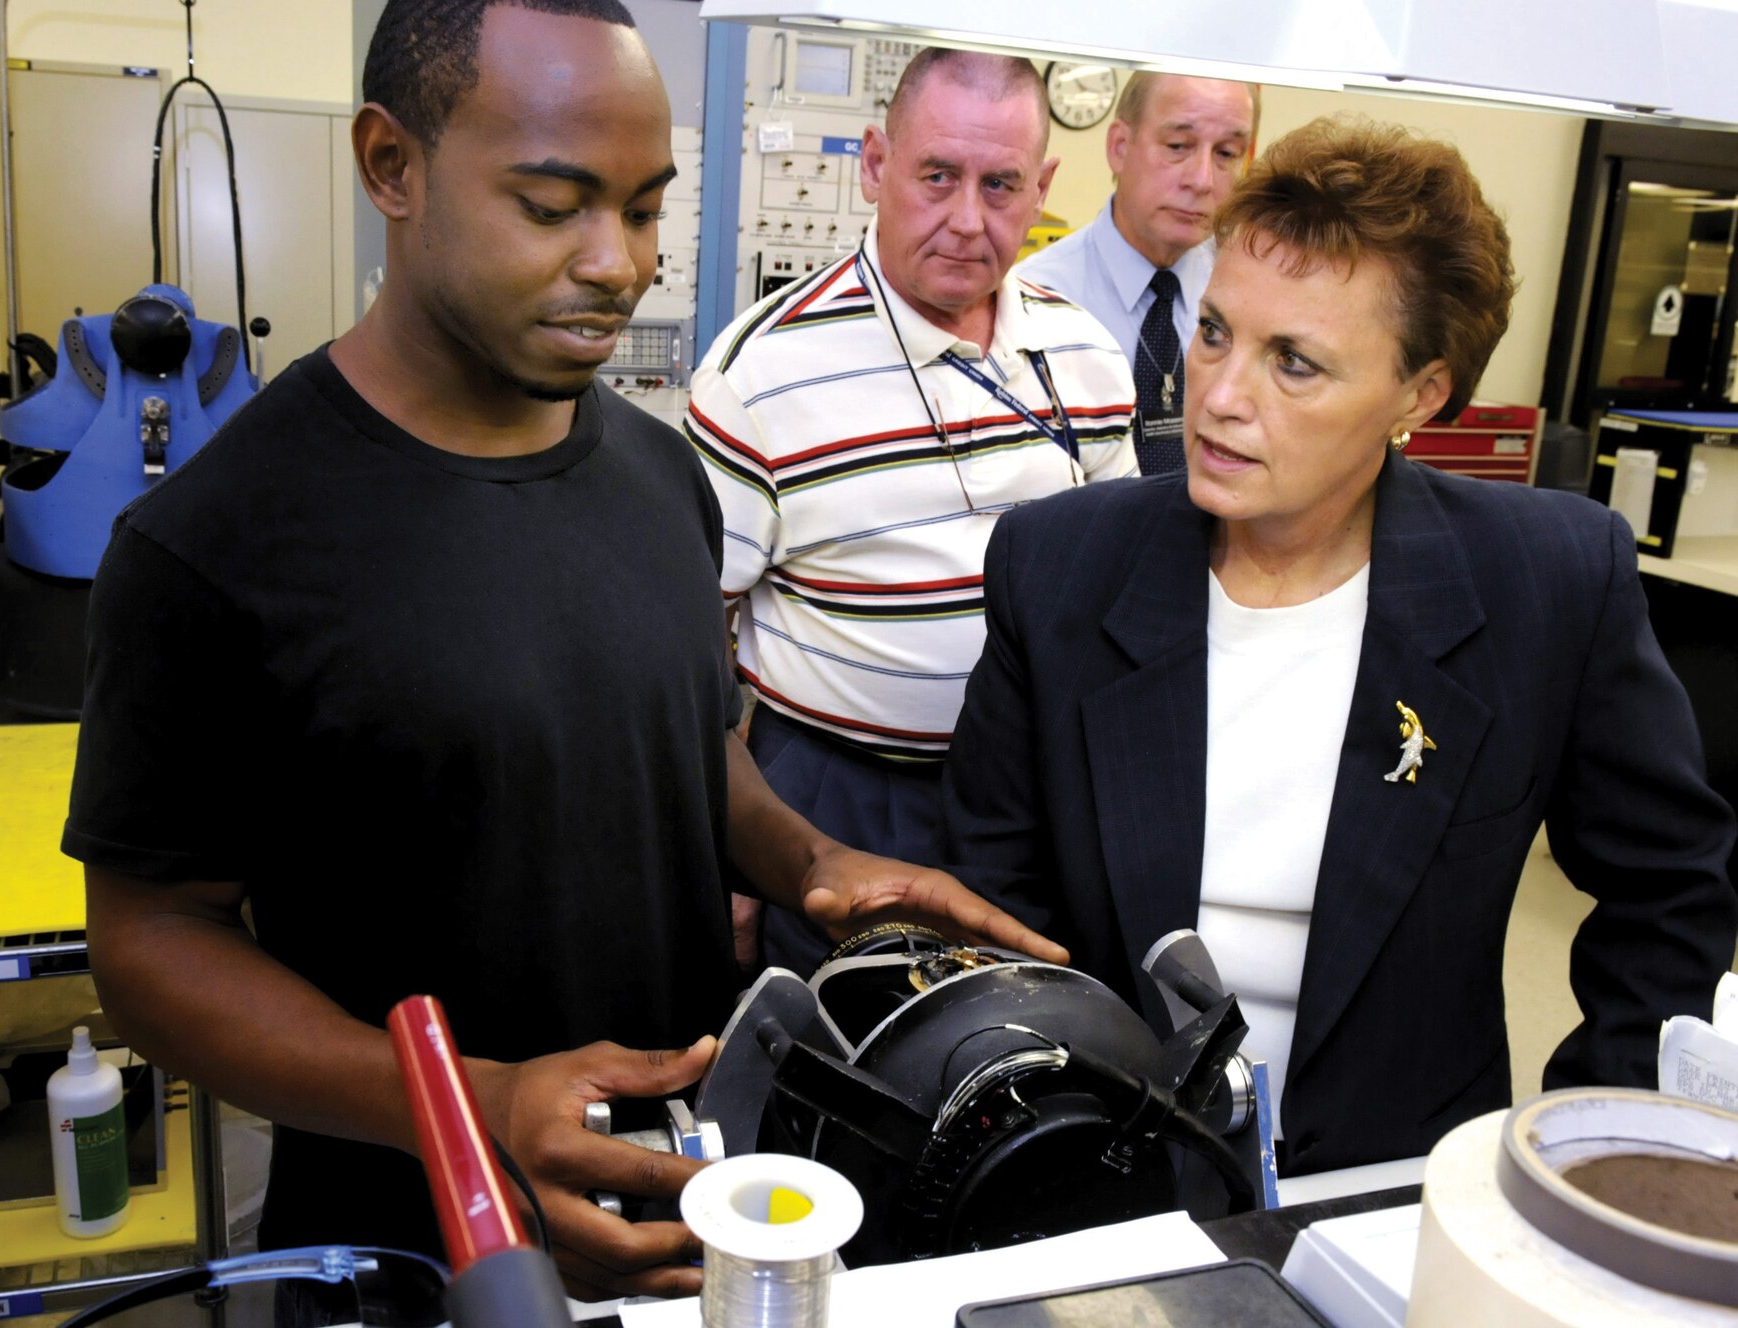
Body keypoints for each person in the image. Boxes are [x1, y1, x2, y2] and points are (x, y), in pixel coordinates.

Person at [61, 0, 1066, 1309]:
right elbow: (150, 947)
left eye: (644, 209)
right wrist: (475, 1107)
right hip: (418, 1237)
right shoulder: (218, 540)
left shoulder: (659, 476)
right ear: (391, 165)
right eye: (554, 206)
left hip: (689, 1206)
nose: (618, 262)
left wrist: (811, 861)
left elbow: (677, 746)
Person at [944, 116, 1738, 1176]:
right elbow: (998, 906)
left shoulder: (1544, 586)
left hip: (1402, 1173)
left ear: (1419, 394)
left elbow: (1667, 890)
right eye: (1216, 330)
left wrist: (1586, 1153)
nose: (1219, 396)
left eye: (1295, 364)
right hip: (1099, 1161)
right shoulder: (1059, 569)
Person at [689, 49, 1137, 977]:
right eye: (937, 176)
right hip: (832, 800)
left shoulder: (1088, 361)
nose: (968, 220)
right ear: (875, 164)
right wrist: (735, 851)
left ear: (1044, 185)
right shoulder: (758, 376)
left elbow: (1117, 593)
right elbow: (695, 642)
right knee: (839, 1071)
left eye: (1001, 185)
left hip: (1028, 798)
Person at [1017, 73, 1257, 476]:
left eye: (1227, 153)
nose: (1202, 180)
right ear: (1119, 147)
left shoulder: (1250, 296)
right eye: (1178, 146)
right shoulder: (1033, 299)